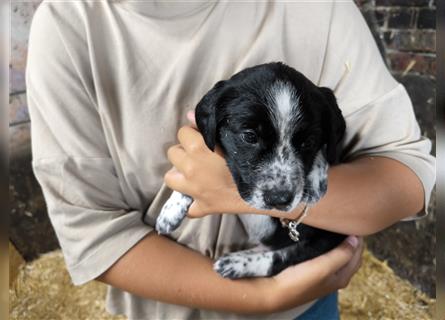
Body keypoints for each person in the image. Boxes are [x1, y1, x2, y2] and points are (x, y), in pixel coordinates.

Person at [26, 1, 435, 319]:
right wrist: (263, 296)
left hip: (305, 306)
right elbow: (92, 234)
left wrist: (253, 194)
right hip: (167, 309)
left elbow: (411, 177)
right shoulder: (68, 25)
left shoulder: (318, 9)